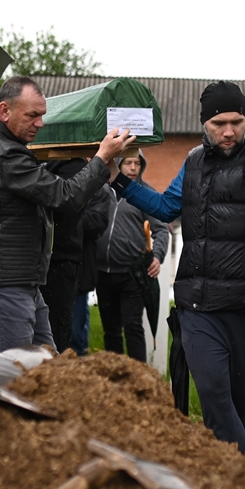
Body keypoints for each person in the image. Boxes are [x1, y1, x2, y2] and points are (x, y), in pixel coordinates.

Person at [110, 80, 245, 453]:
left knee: (239, 409)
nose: (229, 131)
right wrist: (119, 180)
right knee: (213, 395)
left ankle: (225, 467)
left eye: (237, 121)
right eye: (219, 124)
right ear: (204, 124)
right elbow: (166, 208)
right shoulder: (194, 161)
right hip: (199, 307)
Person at [0, 75, 134, 353]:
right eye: (32, 115)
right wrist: (101, 158)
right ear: (4, 111)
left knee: (47, 366)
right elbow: (65, 197)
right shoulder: (3, 153)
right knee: (18, 376)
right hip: (5, 282)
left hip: (17, 278)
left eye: (42, 115)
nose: (40, 123)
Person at [96, 151, 168, 363]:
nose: (133, 168)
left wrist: (158, 256)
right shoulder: (101, 191)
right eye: (128, 163)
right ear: (118, 164)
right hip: (102, 273)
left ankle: (139, 381)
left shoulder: (144, 194)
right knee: (110, 330)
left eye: (137, 163)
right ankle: (115, 380)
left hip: (132, 275)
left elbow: (162, 230)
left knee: (133, 327)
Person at [39, 158, 111, 353]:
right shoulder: (49, 168)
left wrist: (73, 218)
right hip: (51, 263)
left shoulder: (99, 190)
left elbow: (97, 222)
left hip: (76, 265)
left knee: (72, 331)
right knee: (50, 332)